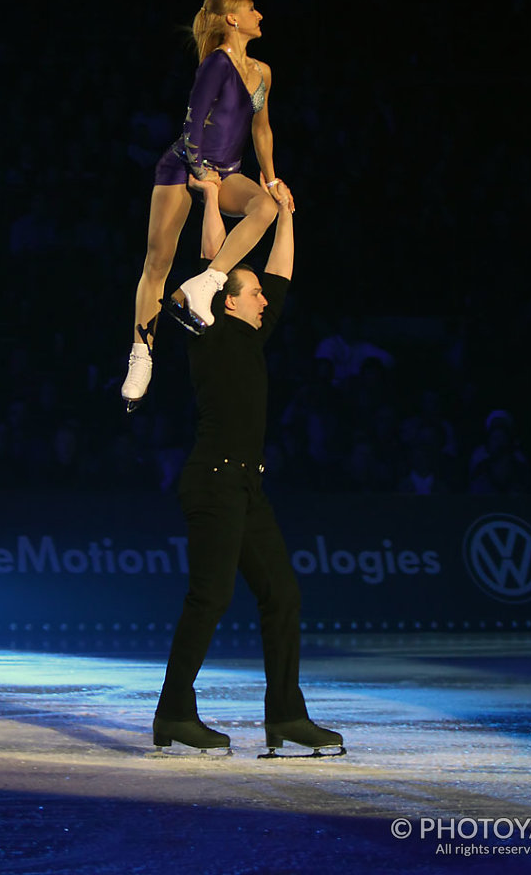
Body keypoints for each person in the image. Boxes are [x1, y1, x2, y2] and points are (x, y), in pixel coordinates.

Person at [153, 195, 344, 758]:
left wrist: (287, 212)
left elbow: (279, 274)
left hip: (246, 487)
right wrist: (211, 198)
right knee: (210, 598)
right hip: (212, 481)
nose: (265, 299)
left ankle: (286, 715)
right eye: (253, 293)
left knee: (282, 594)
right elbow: (216, 259)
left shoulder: (250, 331)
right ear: (228, 302)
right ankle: (173, 712)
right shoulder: (207, 328)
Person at [121, 0, 291, 411]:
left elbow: (262, 130)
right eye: (252, 9)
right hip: (185, 165)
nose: (260, 14)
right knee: (158, 261)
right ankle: (142, 354)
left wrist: (271, 181)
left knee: (265, 209)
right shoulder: (217, 63)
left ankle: (208, 282)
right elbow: (193, 120)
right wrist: (199, 172)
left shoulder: (263, 72)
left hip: (228, 170)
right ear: (232, 19)